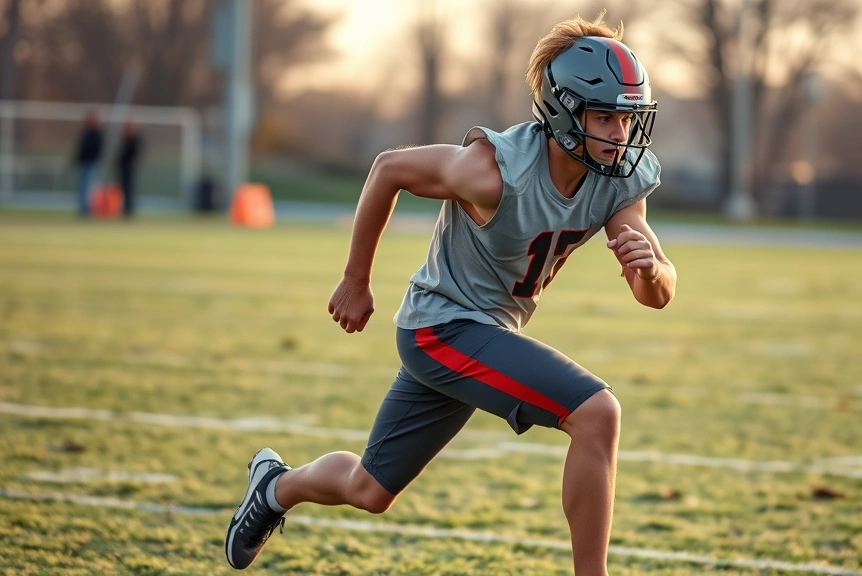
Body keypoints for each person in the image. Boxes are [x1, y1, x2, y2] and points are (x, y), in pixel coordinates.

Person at [225, 12, 676, 576]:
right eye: (604, 116)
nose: (619, 133)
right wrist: (356, 279)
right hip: (443, 330)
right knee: (596, 413)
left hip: (478, 333)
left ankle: (275, 487)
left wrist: (652, 272)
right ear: (564, 112)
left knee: (370, 488)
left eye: (627, 117)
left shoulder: (616, 178)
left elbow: (654, 288)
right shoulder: (493, 172)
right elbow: (389, 168)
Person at [73, 110, 104, 217]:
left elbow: (98, 150)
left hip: (92, 164)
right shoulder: (85, 132)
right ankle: (82, 209)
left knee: (90, 189)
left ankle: (88, 210)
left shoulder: (98, 134)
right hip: (83, 163)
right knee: (82, 187)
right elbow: (80, 148)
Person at [116, 119, 143, 218]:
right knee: (122, 190)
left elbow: (135, 153)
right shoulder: (125, 139)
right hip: (123, 168)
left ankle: (129, 210)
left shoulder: (135, 139)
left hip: (130, 169)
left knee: (129, 190)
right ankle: (124, 209)